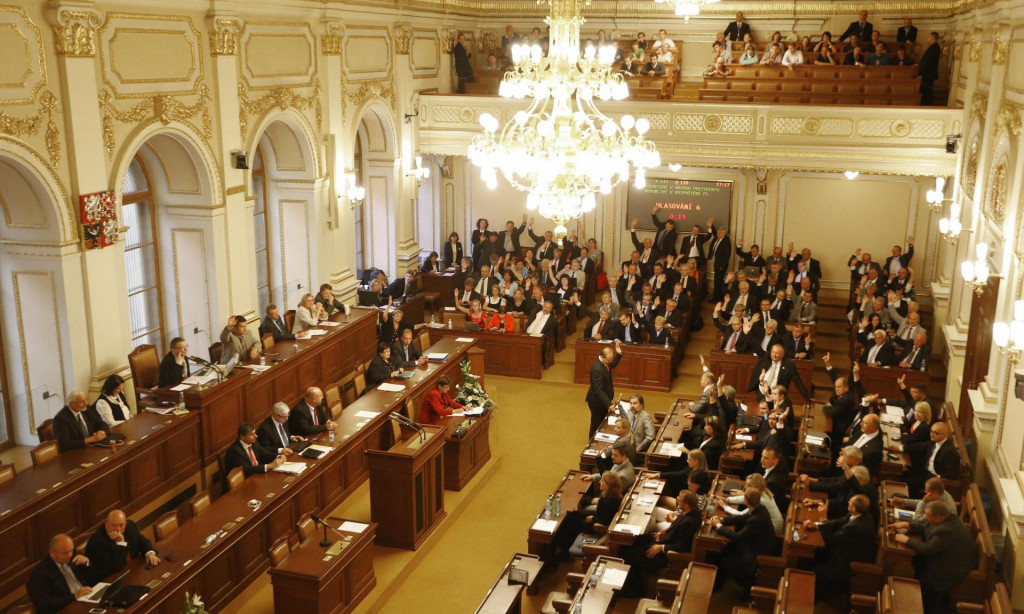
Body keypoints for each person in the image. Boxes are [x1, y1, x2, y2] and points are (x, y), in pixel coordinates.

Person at [894, 500, 977, 613]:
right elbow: (926, 526)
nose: (926, 518)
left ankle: (924, 608)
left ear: (939, 517)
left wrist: (907, 540)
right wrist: (908, 525)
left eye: (928, 516)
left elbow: (928, 549)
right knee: (915, 562)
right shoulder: (947, 517)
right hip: (944, 556)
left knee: (925, 583)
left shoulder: (945, 531)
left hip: (951, 568)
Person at [619, 490, 701, 597]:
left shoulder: (689, 522)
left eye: (679, 500)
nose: (677, 501)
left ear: (686, 505)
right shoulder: (692, 511)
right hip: (662, 539)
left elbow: (682, 546)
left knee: (627, 555)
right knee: (632, 540)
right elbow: (676, 530)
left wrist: (662, 547)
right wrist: (663, 532)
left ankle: (636, 590)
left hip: (663, 553)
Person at [803, 494, 876, 601]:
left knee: (816, 569)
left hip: (848, 560)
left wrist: (823, 517)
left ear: (854, 508)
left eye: (849, 502)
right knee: (814, 554)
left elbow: (831, 540)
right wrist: (817, 524)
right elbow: (839, 522)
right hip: (846, 548)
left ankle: (810, 599)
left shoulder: (855, 527)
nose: (848, 502)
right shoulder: (862, 514)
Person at [710, 488, 777, 598]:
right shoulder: (760, 508)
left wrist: (718, 526)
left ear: (746, 501)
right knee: (724, 549)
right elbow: (741, 518)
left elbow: (737, 537)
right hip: (753, 543)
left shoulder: (756, 518)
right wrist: (722, 520)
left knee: (727, 562)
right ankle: (718, 582)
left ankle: (747, 589)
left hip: (757, 551)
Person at [28, 533, 95, 613]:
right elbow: (45, 605)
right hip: (69, 607)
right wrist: (75, 596)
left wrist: (87, 563)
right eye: (65, 553)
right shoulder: (40, 573)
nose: (69, 555)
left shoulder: (72, 555)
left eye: (71, 550)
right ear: (52, 552)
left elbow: (93, 576)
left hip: (88, 598)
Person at [85, 510, 159, 580]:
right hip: (113, 579)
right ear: (106, 525)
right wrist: (120, 543)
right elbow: (117, 567)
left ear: (125, 523)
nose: (118, 529)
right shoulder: (97, 542)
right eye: (114, 525)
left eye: (121, 525)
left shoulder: (129, 526)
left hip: (135, 571)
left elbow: (143, 542)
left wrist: (150, 553)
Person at [746, 343, 810, 401]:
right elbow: (758, 349)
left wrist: (808, 397)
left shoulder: (789, 365)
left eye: (777, 353)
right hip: (761, 393)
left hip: (777, 397)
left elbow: (798, 381)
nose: (774, 355)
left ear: (782, 354)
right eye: (773, 352)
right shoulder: (766, 358)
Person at [585, 342, 623, 438]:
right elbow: (598, 390)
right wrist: (609, 404)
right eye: (608, 360)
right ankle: (592, 441)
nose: (610, 362)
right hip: (596, 401)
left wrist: (618, 354)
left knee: (603, 421)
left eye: (611, 359)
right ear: (602, 356)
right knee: (596, 422)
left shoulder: (605, 362)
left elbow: (612, 365)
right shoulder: (597, 369)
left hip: (603, 399)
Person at [892, 476, 957, 525]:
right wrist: (904, 501)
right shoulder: (941, 492)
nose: (925, 492)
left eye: (927, 492)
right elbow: (924, 500)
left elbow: (917, 519)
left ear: (934, 493)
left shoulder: (941, 508)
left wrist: (923, 501)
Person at [918, 32, 940, 105]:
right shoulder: (934, 47)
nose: (927, 38)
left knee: (926, 91)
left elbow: (927, 62)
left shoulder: (934, 48)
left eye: (929, 37)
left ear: (932, 37)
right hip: (928, 73)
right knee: (926, 91)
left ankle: (927, 105)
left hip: (928, 74)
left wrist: (921, 73)